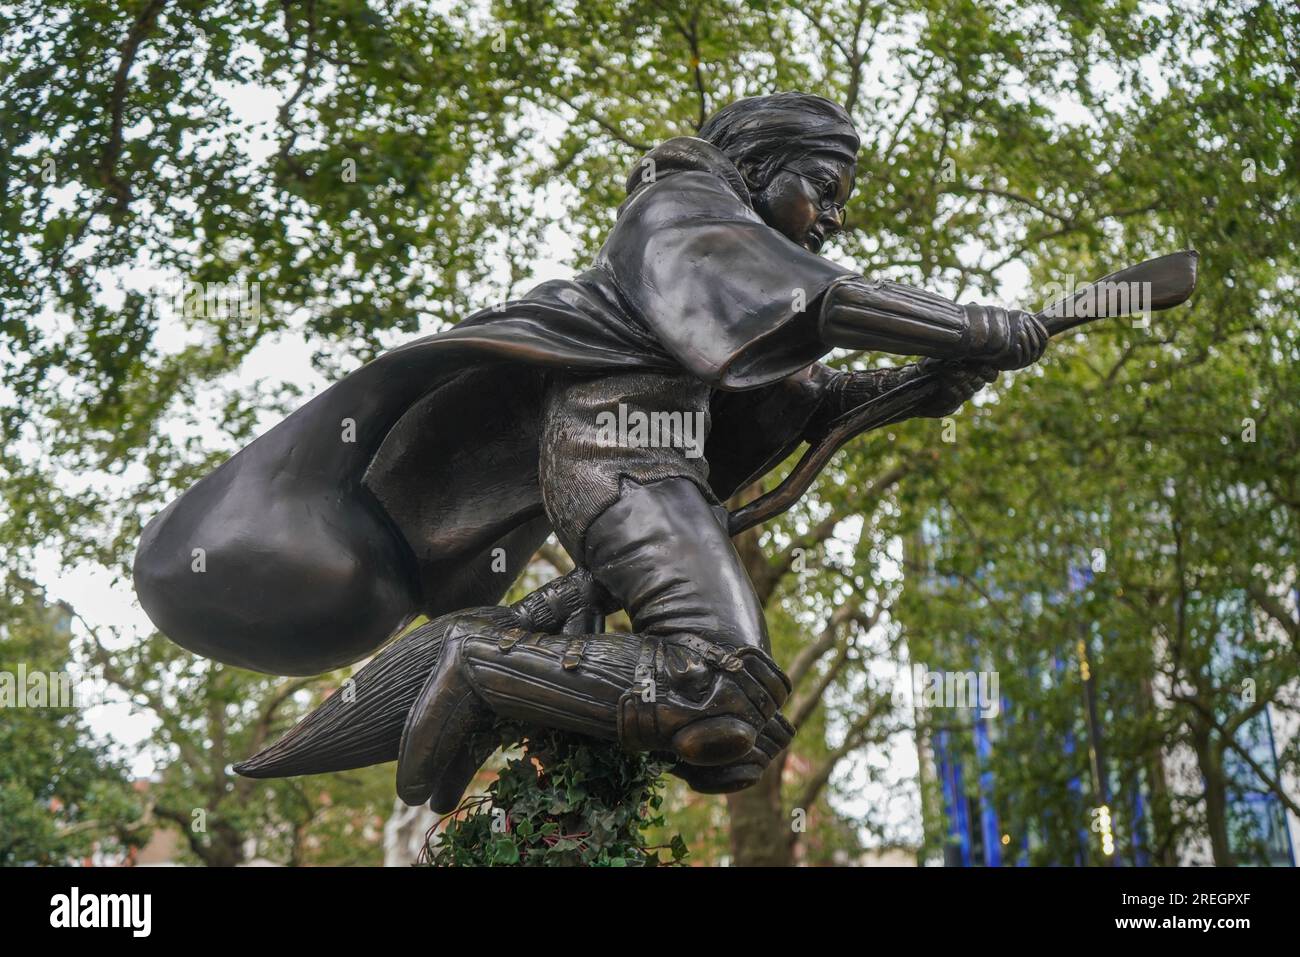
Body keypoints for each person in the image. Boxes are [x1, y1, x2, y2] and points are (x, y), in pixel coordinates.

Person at [134, 93, 1047, 811]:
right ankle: (480, 665)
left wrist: (939, 380)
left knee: (739, 735)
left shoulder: (718, 275)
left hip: (654, 467)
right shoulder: (681, 208)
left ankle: (513, 695)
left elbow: (804, 395)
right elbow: (824, 303)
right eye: (825, 188)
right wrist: (966, 325)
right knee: (715, 686)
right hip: (618, 459)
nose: (833, 220)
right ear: (761, 166)